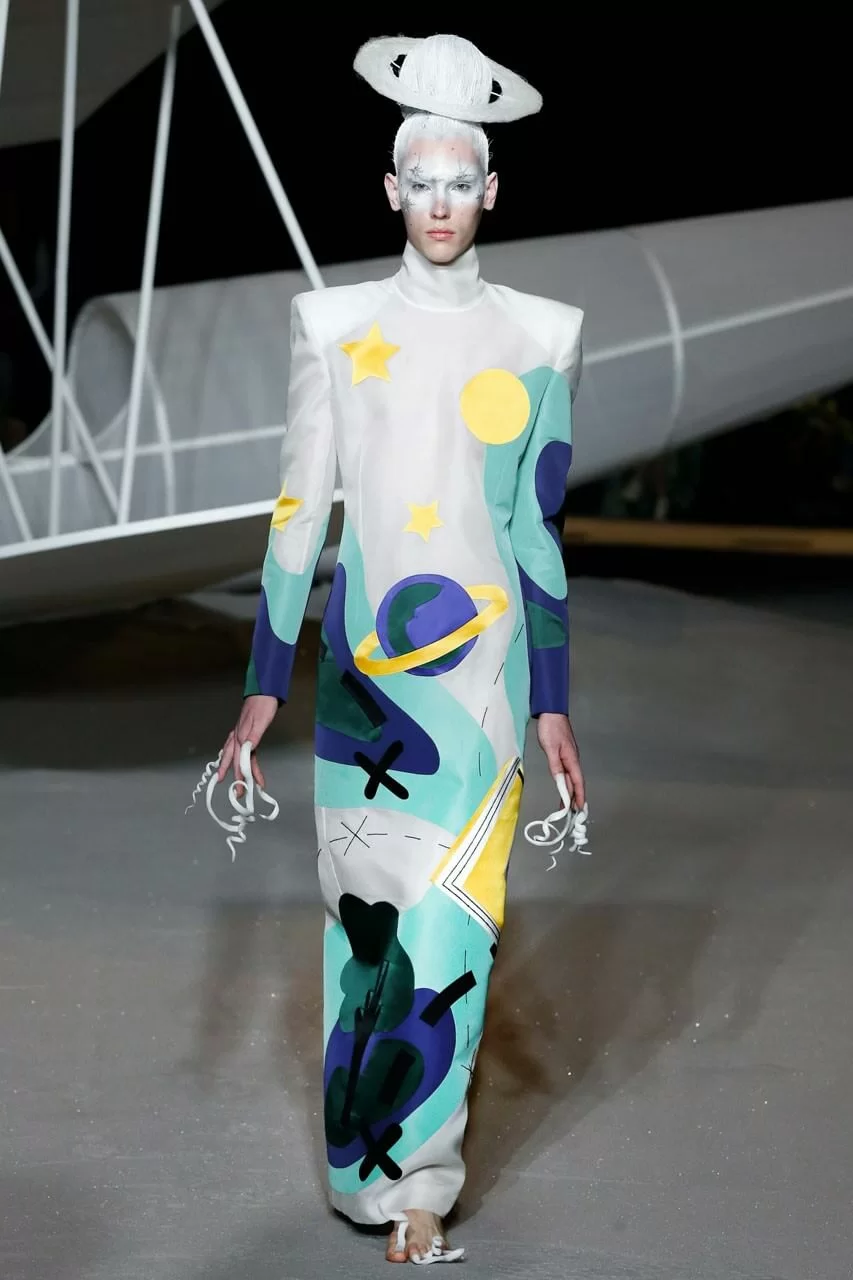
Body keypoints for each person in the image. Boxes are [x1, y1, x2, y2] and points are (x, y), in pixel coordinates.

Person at [217, 33, 586, 1265]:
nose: (438, 202)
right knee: (370, 928)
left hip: (482, 690)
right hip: (368, 688)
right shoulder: (332, 324)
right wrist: (264, 681)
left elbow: (537, 529)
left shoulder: (542, 335)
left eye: (458, 182)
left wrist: (553, 698)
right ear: (389, 189)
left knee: (452, 927)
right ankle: (361, 1164)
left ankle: (418, 1185)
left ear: (492, 190)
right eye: (418, 181)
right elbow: (298, 508)